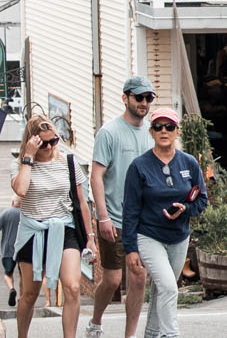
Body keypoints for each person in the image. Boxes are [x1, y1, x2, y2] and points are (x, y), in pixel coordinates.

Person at [119, 102, 206, 338]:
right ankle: (171, 334)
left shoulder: (189, 163)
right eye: (158, 127)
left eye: (169, 126)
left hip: (179, 237)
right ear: (152, 132)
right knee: (169, 286)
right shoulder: (139, 166)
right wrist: (130, 249)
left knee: (161, 289)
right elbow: (130, 211)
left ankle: (152, 334)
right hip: (149, 235)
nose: (164, 131)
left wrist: (184, 209)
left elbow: (202, 201)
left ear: (177, 130)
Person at [11, 110, 96, 338]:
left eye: (53, 141)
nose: (49, 148)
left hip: (64, 227)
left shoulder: (68, 161)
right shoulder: (21, 164)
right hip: (33, 230)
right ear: (32, 141)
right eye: (43, 143)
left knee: (73, 286)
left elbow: (82, 201)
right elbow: (20, 190)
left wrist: (90, 238)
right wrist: (28, 157)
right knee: (30, 293)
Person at [89, 74, 153, 337]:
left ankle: (130, 334)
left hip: (144, 221)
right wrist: (102, 217)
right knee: (113, 280)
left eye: (149, 98)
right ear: (125, 98)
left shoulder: (152, 134)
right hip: (115, 218)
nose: (144, 103)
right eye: (139, 97)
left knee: (138, 276)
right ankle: (95, 321)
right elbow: (96, 175)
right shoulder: (109, 132)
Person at [0, 206, 22, 310]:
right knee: (23, 275)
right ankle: (21, 298)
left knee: (8, 274)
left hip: (8, 248)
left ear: (13, 202)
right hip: (22, 247)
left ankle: (11, 289)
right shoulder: (25, 213)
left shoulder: (6, 213)